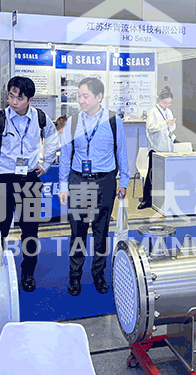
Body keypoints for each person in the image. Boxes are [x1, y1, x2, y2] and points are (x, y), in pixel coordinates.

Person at [0, 76, 59, 292]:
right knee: (0, 228)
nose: (14, 101)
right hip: (3, 179)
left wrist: (46, 163)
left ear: (30, 100)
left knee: (30, 230)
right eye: (11, 96)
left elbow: (52, 138)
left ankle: (28, 272)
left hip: (29, 180)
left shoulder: (40, 118)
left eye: (20, 98)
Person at [59, 77, 129, 296]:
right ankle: (75, 276)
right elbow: (66, 155)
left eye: (85, 96)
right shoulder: (73, 121)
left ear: (99, 97)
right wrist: (63, 185)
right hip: (79, 180)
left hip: (104, 181)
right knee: (77, 232)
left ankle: (98, 274)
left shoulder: (113, 121)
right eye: (79, 96)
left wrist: (124, 181)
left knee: (101, 231)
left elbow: (121, 152)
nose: (80, 100)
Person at [138, 86, 176, 209]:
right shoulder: (153, 112)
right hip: (156, 148)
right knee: (152, 174)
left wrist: (171, 125)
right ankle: (147, 199)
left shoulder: (168, 112)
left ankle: (161, 199)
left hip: (167, 148)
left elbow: (172, 128)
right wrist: (165, 123)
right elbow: (151, 128)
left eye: (169, 103)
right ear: (159, 99)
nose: (167, 105)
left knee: (165, 175)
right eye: (165, 102)